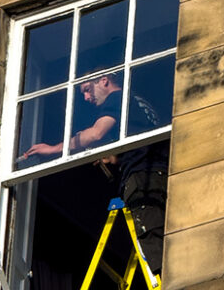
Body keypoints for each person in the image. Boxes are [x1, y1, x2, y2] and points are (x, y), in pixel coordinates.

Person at [21, 71, 168, 273]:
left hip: (143, 178)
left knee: (153, 240)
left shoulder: (117, 97)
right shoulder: (138, 102)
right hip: (157, 173)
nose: (87, 98)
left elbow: (96, 133)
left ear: (104, 80)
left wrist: (54, 149)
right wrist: (112, 157)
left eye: (87, 90)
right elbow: (135, 143)